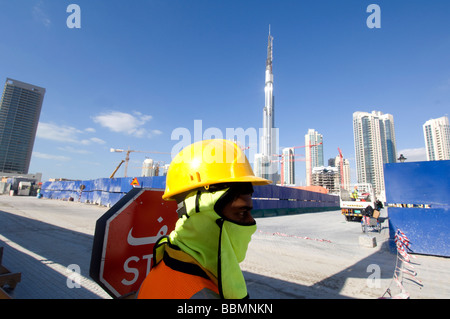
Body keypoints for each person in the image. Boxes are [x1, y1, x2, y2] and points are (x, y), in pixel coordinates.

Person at [137, 139, 271, 299]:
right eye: (241, 212)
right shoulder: (202, 295)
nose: (252, 224)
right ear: (200, 210)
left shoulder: (168, 263)